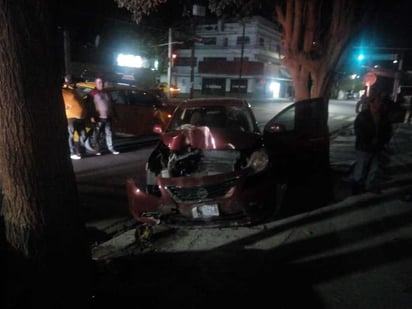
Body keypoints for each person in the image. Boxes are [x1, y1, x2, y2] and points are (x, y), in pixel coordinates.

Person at [351, 92, 393, 194]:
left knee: (373, 169)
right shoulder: (363, 116)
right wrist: (370, 140)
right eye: (378, 102)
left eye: (380, 102)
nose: (380, 104)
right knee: (361, 169)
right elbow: (359, 132)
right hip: (364, 148)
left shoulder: (383, 116)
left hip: (377, 147)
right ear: (371, 103)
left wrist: (383, 140)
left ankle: (368, 186)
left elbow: (388, 130)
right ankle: (357, 189)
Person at [88, 77, 119, 155]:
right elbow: (90, 105)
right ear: (95, 83)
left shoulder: (106, 93)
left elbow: (111, 105)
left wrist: (115, 115)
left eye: (102, 82)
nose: (101, 84)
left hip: (108, 116)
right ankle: (97, 149)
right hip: (99, 117)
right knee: (97, 133)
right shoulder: (92, 93)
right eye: (99, 82)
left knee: (109, 133)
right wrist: (92, 116)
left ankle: (111, 148)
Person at [62, 76, 87, 160]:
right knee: (71, 135)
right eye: (70, 81)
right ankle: (72, 152)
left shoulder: (74, 90)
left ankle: (80, 150)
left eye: (72, 81)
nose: (73, 83)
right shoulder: (64, 90)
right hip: (71, 117)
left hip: (81, 117)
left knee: (83, 135)